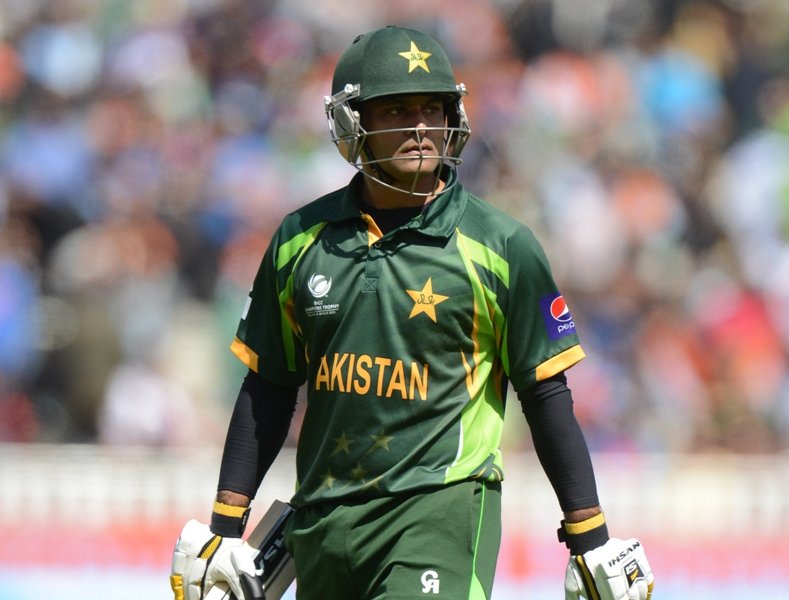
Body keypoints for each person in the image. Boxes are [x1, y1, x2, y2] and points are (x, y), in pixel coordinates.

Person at [170, 25, 654, 600]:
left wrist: (590, 536)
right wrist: (226, 525)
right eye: (397, 109)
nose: (421, 125)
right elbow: (268, 388)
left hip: (440, 513)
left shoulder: (502, 246)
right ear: (354, 123)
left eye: (434, 107)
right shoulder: (300, 240)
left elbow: (546, 393)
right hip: (322, 522)